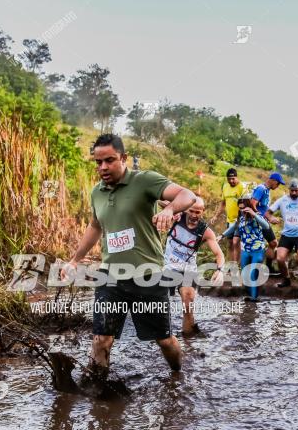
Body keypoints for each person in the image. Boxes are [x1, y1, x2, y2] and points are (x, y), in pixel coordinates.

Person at [62, 134, 196, 379]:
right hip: (111, 277)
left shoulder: (145, 181)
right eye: (98, 162)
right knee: (101, 340)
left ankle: (178, 373)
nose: (103, 167)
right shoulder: (97, 192)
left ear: (123, 158)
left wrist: (168, 208)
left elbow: (188, 195)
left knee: (164, 341)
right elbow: (95, 226)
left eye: (110, 160)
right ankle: (99, 388)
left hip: (148, 276)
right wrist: (75, 259)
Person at [160, 197, 225, 334]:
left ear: (203, 212)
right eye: (191, 211)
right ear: (186, 209)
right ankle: (163, 337)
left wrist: (220, 270)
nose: (194, 215)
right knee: (160, 305)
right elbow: (159, 201)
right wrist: (172, 208)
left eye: (198, 212)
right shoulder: (177, 216)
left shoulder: (206, 232)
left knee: (188, 304)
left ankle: (189, 340)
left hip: (188, 270)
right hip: (168, 267)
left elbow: (219, 254)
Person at [222, 195, 272, 302]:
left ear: (248, 206)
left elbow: (266, 226)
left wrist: (254, 214)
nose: (242, 210)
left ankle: (254, 299)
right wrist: (221, 235)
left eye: (243, 207)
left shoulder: (257, 215)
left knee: (252, 273)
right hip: (245, 250)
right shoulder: (241, 218)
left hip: (257, 250)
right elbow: (233, 227)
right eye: (240, 208)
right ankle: (251, 294)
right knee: (245, 275)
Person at [252, 172, 286, 273]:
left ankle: (268, 267)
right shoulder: (261, 189)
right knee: (269, 243)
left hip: (264, 221)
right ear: (273, 181)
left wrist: (270, 217)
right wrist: (264, 217)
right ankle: (261, 269)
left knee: (273, 243)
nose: (278, 186)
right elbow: (253, 204)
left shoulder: (266, 190)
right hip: (259, 222)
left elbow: (262, 207)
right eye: (278, 183)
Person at [221, 167, 246, 262]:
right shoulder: (225, 186)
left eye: (233, 179)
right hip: (229, 219)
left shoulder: (242, 187)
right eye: (229, 179)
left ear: (237, 177)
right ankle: (232, 265)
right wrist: (216, 215)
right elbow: (223, 202)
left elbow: (246, 203)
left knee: (236, 242)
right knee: (230, 243)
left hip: (240, 220)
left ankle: (237, 265)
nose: (231, 181)